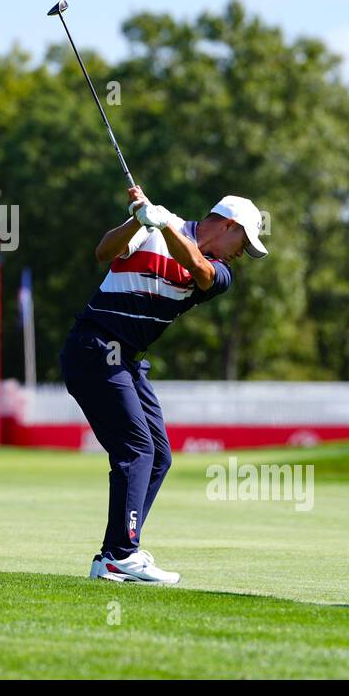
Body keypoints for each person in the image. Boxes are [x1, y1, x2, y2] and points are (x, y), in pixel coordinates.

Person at [59, 186, 267, 583]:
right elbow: (103, 253)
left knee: (158, 456)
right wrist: (136, 219)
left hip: (128, 361)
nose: (243, 253)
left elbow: (199, 271)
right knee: (136, 449)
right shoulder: (150, 227)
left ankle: (116, 550)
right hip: (95, 347)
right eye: (245, 241)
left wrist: (166, 224)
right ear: (228, 225)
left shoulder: (219, 271)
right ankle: (121, 554)